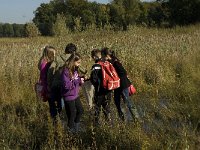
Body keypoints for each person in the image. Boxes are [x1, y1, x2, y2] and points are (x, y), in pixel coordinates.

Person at [101, 47, 140, 122]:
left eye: (102, 56)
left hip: (122, 85)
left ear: (106, 56)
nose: (102, 58)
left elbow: (124, 72)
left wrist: (116, 79)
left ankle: (137, 119)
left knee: (128, 102)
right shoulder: (109, 62)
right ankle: (123, 120)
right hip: (116, 86)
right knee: (117, 103)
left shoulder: (115, 62)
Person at [61, 53, 84, 132]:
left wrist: (80, 80)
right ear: (73, 61)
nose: (79, 64)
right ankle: (70, 131)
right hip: (68, 95)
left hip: (75, 94)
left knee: (80, 110)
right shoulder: (66, 71)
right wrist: (76, 81)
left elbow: (76, 79)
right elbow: (66, 86)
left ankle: (76, 128)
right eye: (78, 62)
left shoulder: (75, 69)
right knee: (72, 114)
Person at [90, 49, 112, 126]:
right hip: (108, 90)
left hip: (99, 91)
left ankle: (96, 125)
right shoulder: (107, 63)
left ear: (94, 57)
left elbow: (93, 79)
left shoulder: (95, 66)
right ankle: (109, 124)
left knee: (97, 108)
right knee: (107, 108)